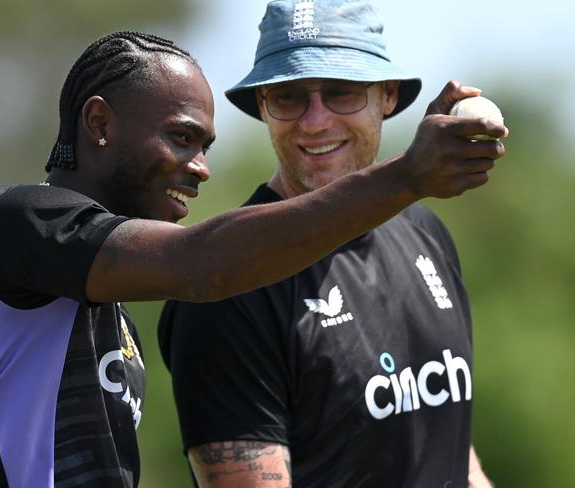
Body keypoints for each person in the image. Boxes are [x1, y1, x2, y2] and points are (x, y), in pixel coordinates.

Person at [0, 22, 504, 488]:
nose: (201, 168)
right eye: (182, 138)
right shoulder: (15, 223)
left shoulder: (104, 311)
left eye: (205, 147)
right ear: (100, 123)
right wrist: (408, 175)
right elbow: (202, 265)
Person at [159, 1, 506, 487]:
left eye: (341, 92)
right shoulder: (227, 286)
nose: (315, 121)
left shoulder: (425, 233)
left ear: (387, 95)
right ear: (262, 106)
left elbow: (449, 450)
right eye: (288, 96)